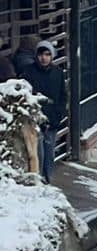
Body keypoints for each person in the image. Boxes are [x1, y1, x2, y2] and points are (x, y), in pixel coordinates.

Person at [21, 40, 66, 183]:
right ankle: (38, 178)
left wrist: (59, 114)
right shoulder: (28, 72)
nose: (44, 58)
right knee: (37, 152)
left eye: (47, 54)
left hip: (52, 118)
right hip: (35, 119)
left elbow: (62, 95)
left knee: (49, 151)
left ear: (52, 56)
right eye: (41, 54)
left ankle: (48, 178)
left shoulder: (58, 73)